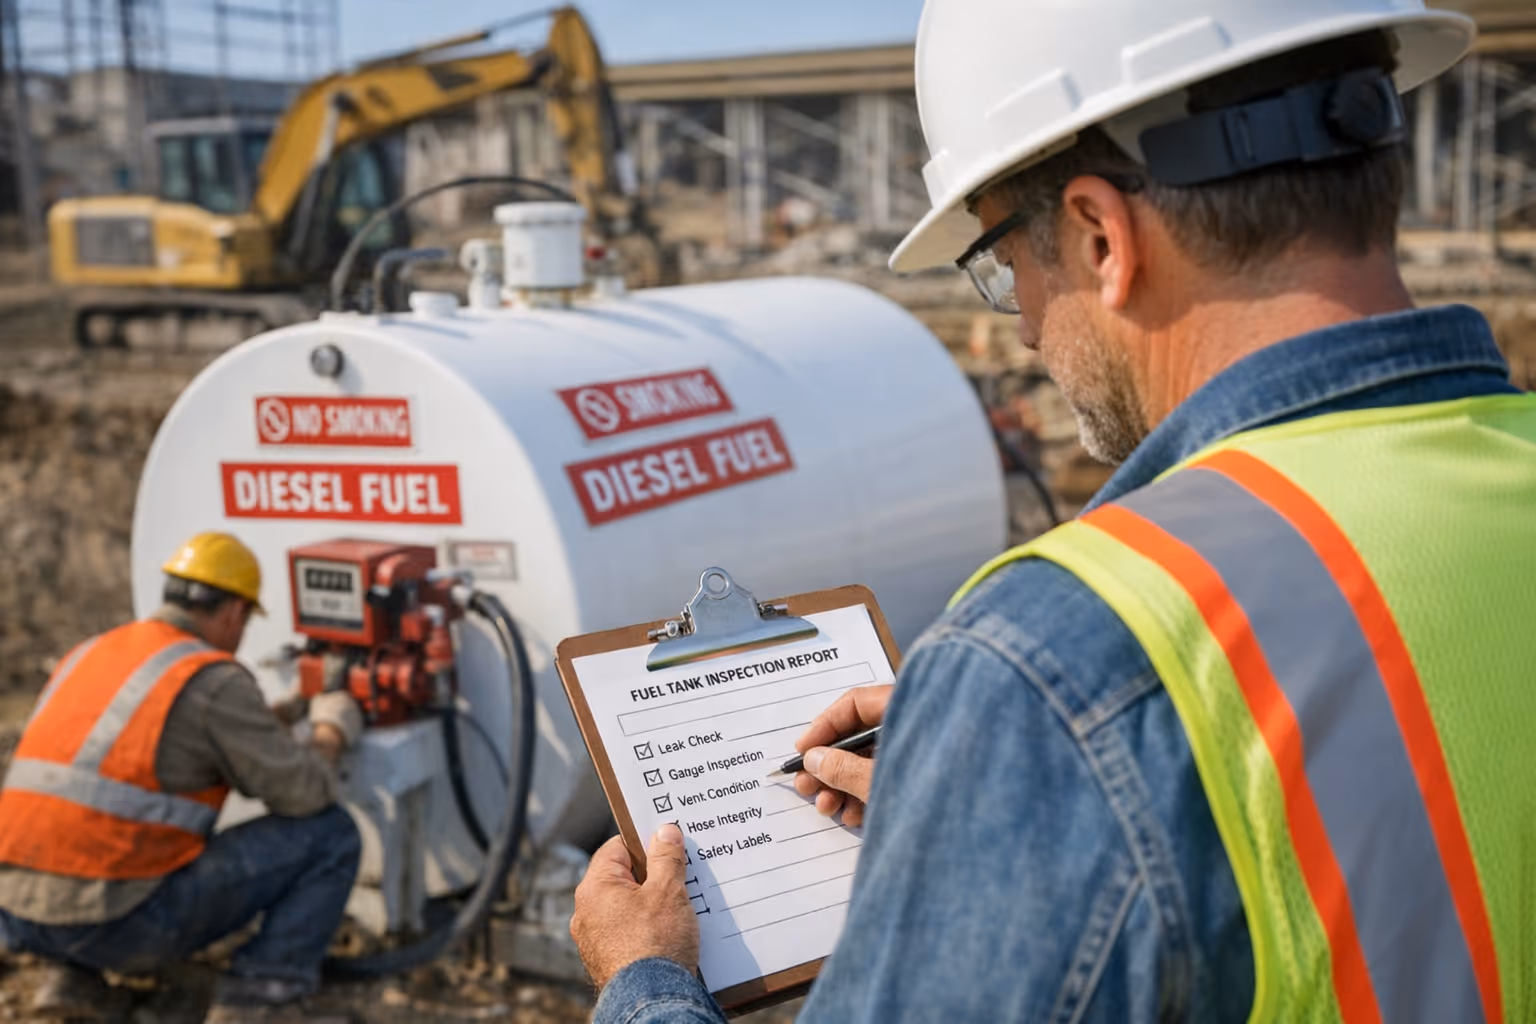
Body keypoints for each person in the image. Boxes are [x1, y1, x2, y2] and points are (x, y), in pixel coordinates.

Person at [572, 0, 1536, 1020]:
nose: (1025, 324)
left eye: (1001, 260)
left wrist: (645, 981)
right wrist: (1019, 762)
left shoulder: (1063, 652)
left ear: (1098, 234)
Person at [0, 533, 365, 1024]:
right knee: (331, 834)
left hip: (17, 912)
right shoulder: (213, 679)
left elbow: (148, 749)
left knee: (85, 849)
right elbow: (304, 795)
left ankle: (73, 978)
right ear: (234, 612)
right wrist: (330, 729)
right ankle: (264, 995)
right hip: (119, 924)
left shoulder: (93, 652)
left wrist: (282, 711)